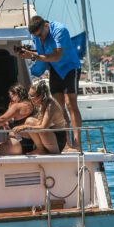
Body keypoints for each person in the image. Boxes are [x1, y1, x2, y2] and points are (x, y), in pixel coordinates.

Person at [21, 16, 82, 151]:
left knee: (70, 104)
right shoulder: (37, 36)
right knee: (59, 108)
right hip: (55, 70)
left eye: (41, 35)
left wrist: (32, 55)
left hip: (70, 68)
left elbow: (56, 56)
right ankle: (67, 143)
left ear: (46, 25)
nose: (40, 38)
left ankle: (77, 142)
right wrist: (28, 54)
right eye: (37, 36)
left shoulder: (60, 30)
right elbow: (42, 56)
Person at [10, 80, 68, 155]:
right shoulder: (41, 104)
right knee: (29, 121)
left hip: (58, 140)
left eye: (31, 95)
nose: (29, 98)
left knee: (33, 125)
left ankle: (45, 151)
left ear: (40, 96)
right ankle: (40, 149)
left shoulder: (50, 105)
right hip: (50, 137)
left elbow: (43, 127)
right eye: (28, 95)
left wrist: (24, 127)